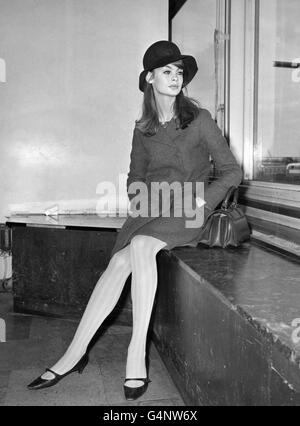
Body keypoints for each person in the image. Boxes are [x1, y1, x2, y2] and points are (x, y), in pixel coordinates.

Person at [27, 40, 242, 401]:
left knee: (141, 247)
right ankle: (74, 352)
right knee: (118, 263)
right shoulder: (142, 129)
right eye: (167, 71)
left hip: (190, 209)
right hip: (149, 210)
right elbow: (134, 176)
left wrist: (203, 200)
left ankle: (135, 352)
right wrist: (139, 198)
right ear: (149, 78)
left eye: (179, 72)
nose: (175, 78)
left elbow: (232, 171)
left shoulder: (200, 120)